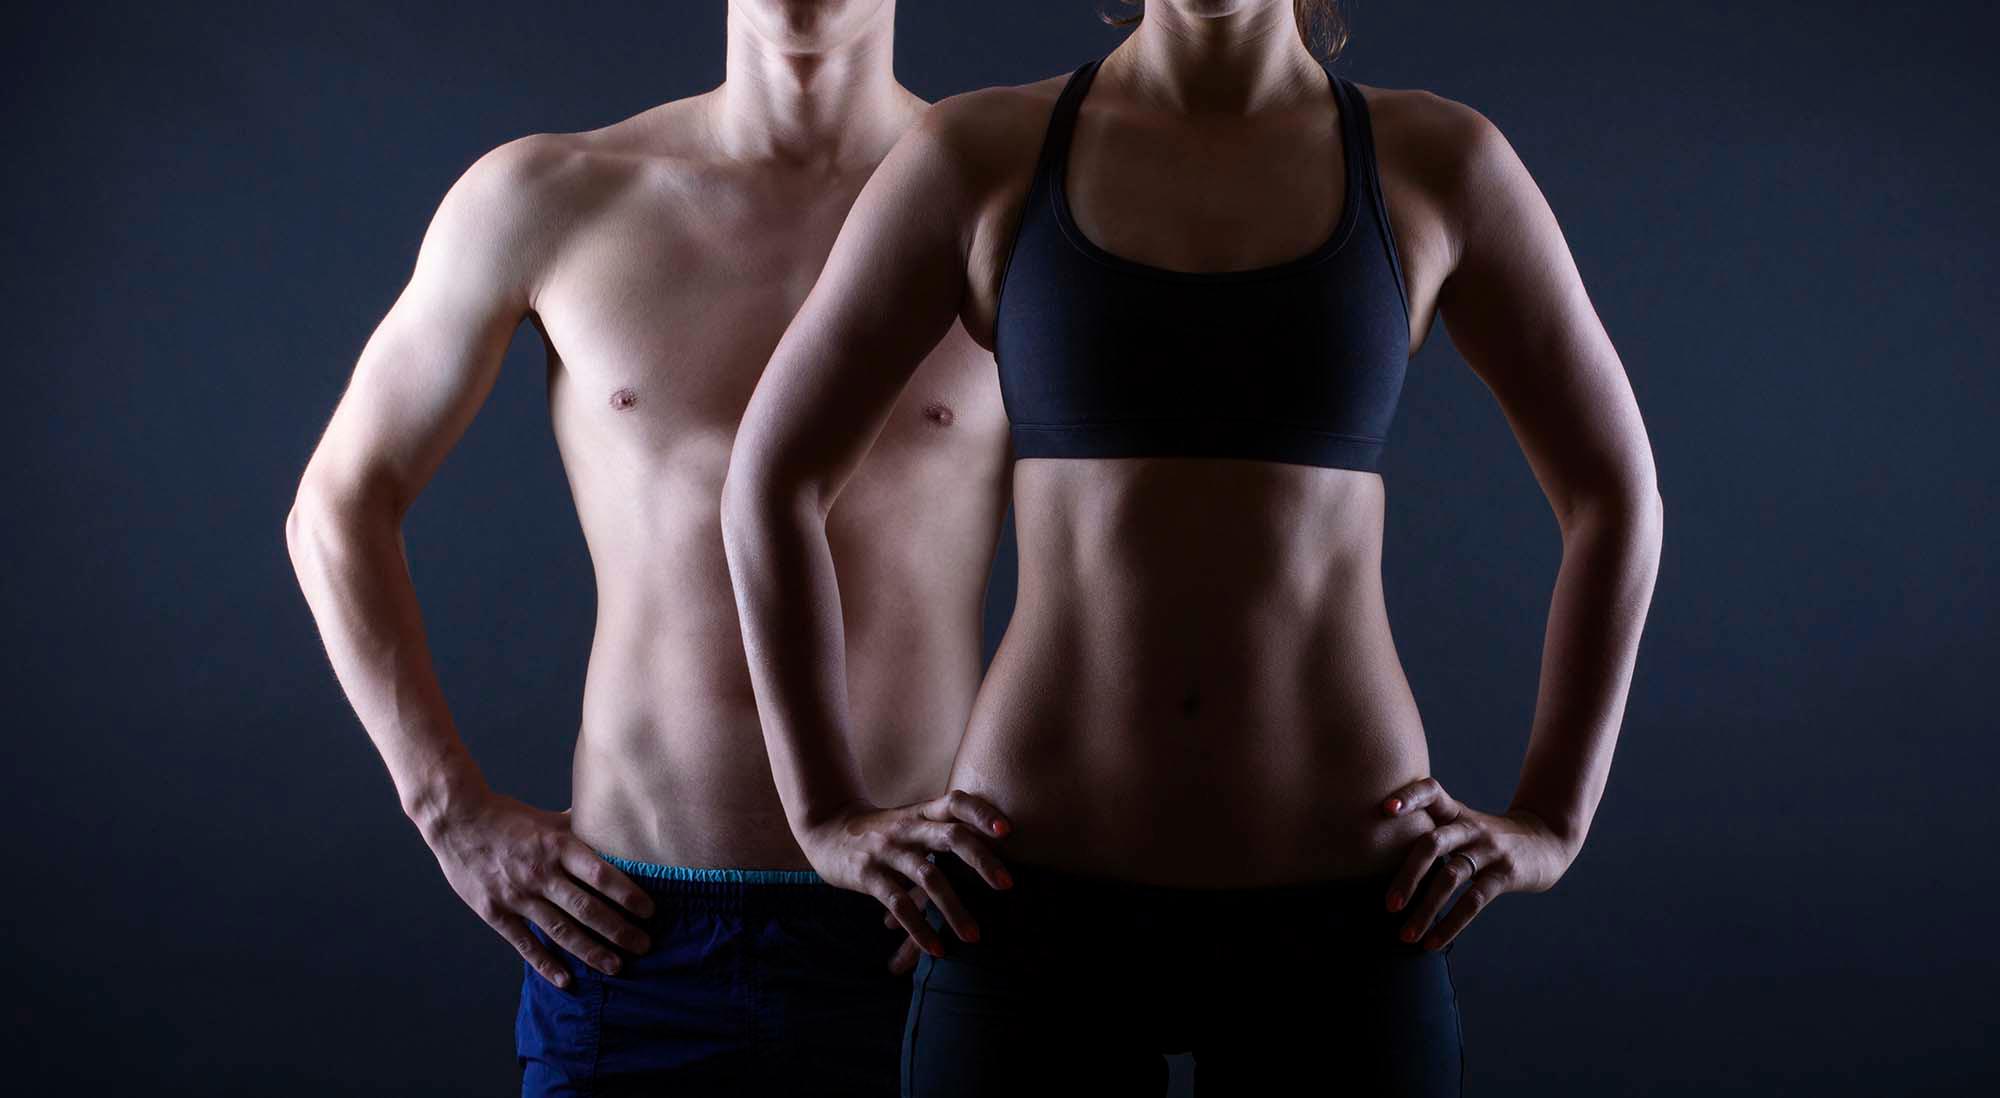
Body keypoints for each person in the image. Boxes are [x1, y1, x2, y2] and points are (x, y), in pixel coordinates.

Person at [720, 0, 1664, 1093]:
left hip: (1346, 912)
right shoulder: (980, 152)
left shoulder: (1436, 161)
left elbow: (1614, 493)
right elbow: (770, 477)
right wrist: (825, 813)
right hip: (1029, 908)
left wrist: (1552, 818)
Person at [284, 2, 1014, 1093]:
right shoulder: (554, 194)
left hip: (920, 930)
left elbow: (1132, 547)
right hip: (631, 939)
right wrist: (450, 810)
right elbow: (339, 500)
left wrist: (1030, 819)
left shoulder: (1006, 212)